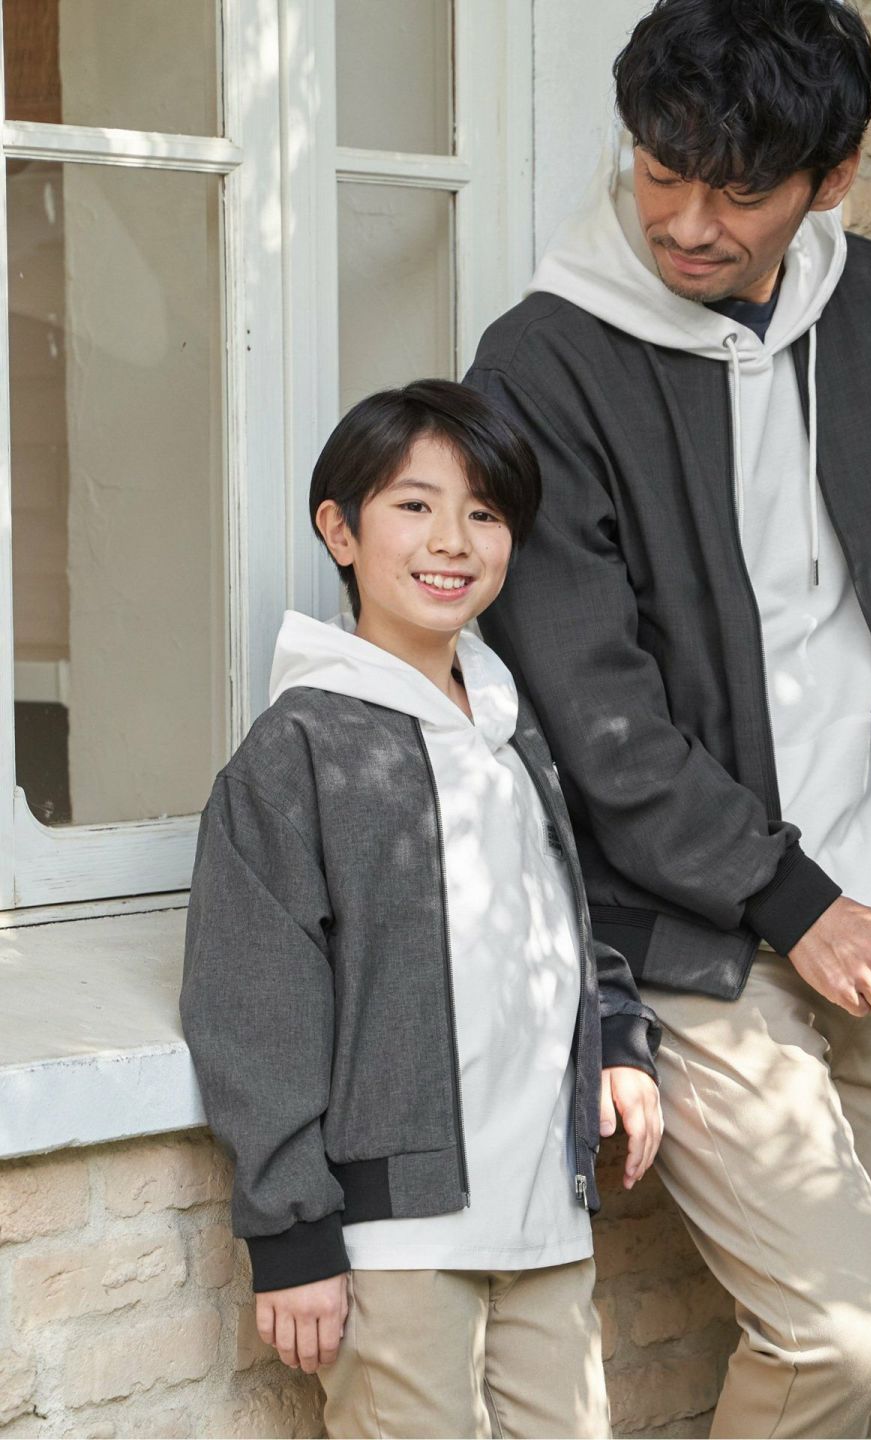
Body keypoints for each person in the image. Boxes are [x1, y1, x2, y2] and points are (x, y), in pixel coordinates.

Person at [465, 1, 871, 1434]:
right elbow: (595, 712)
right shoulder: (545, 363)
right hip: (692, 932)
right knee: (841, 1336)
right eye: (662, 171)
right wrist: (793, 902)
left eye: (738, 191)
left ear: (832, 178)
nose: (688, 222)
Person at [179, 380, 662, 1440]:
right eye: (414, 505)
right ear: (339, 530)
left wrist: (618, 1042)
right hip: (397, 1240)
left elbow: (564, 925)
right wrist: (293, 1236)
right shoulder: (301, 751)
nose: (453, 541)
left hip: (544, 1213)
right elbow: (253, 1005)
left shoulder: (510, 728)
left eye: (484, 513)